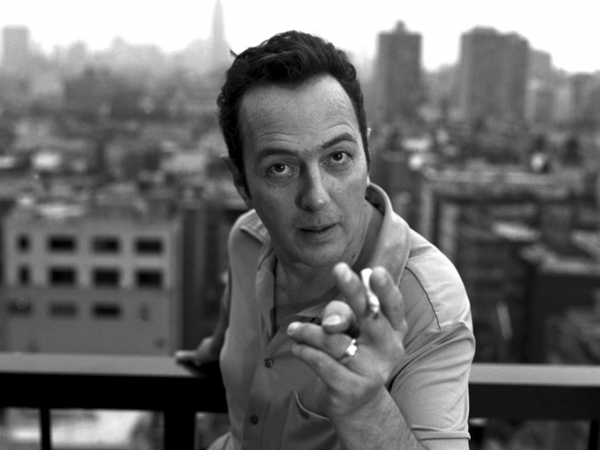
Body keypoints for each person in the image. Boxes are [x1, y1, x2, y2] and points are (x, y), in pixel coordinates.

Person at [177, 30, 475, 450]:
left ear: (367, 155)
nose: (316, 197)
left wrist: (366, 406)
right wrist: (213, 349)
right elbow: (235, 321)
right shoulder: (247, 238)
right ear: (241, 182)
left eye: (337, 157)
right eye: (281, 168)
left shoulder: (428, 303)